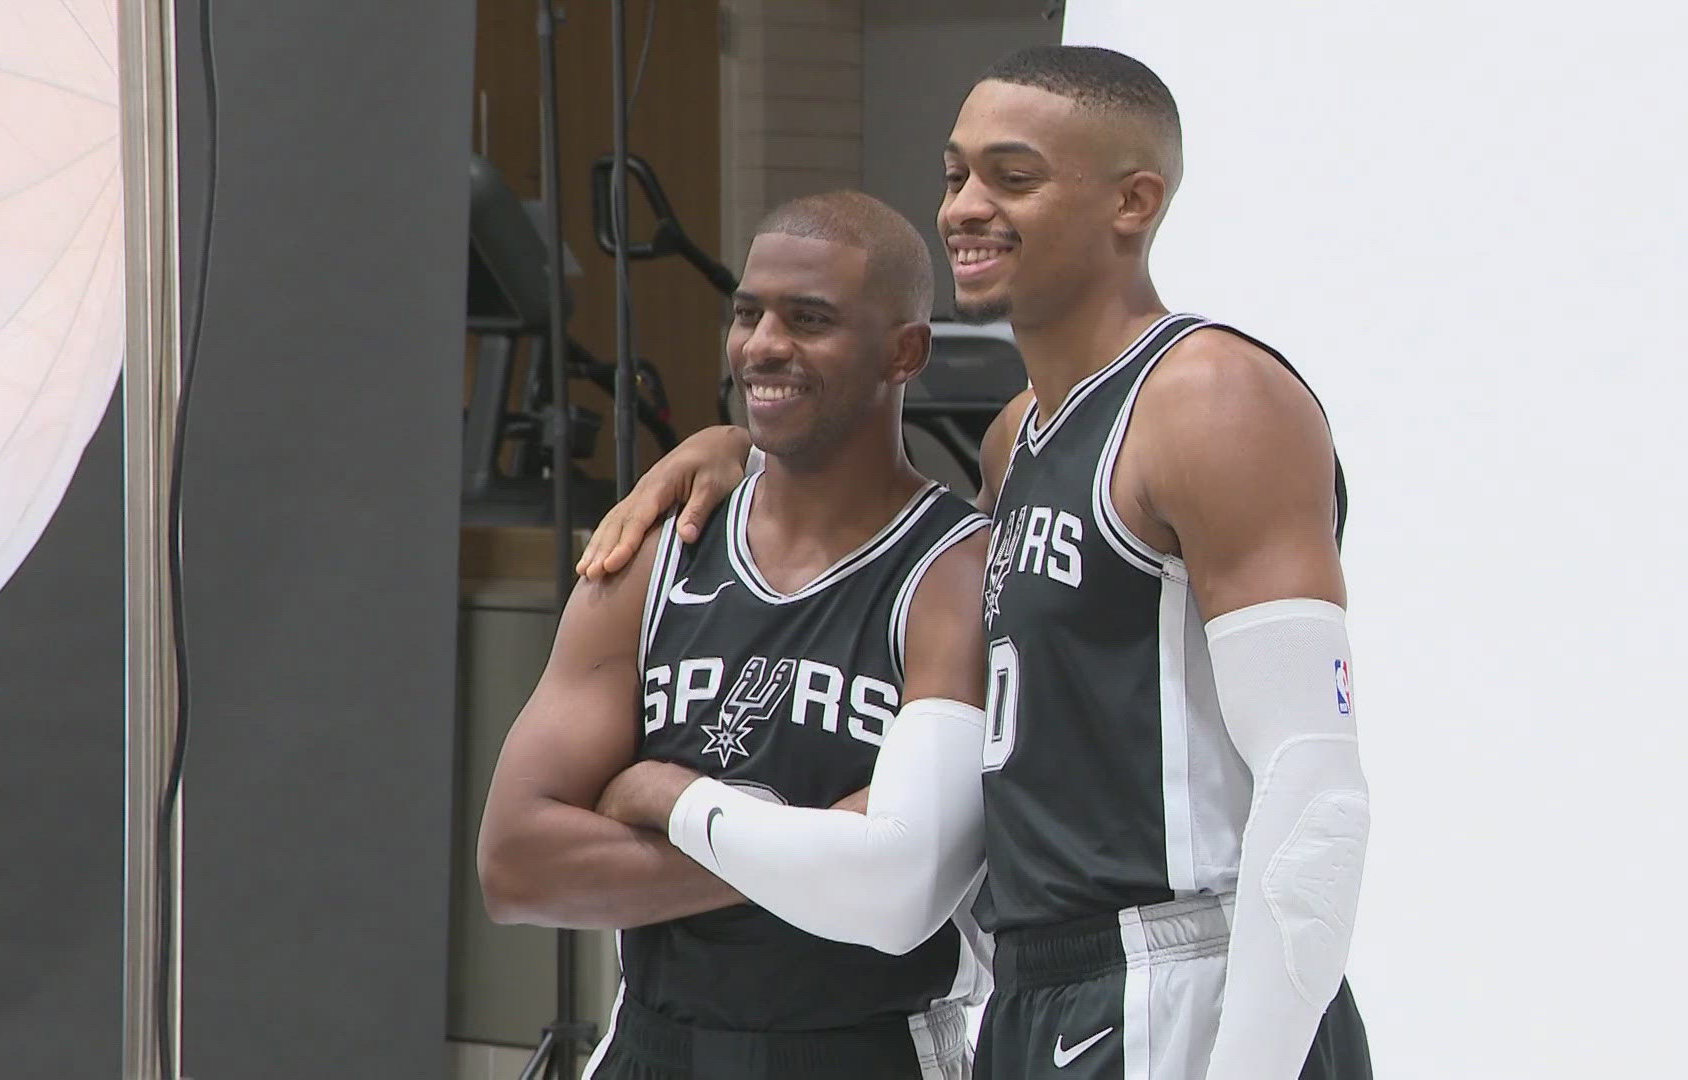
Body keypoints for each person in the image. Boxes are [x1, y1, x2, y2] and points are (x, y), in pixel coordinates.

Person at [575, 45, 1373, 1080]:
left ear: (1134, 201)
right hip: (1037, 988)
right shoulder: (1013, 438)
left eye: (1014, 175)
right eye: (955, 174)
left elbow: (1317, 791)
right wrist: (730, 447)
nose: (964, 207)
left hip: (1178, 977)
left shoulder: (1211, 396)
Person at [478, 190, 994, 1080]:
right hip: (655, 1044)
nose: (763, 345)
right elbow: (516, 866)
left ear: (905, 351)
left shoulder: (956, 570)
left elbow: (901, 887)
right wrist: (809, 851)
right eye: (748, 313)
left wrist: (671, 802)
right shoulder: (657, 548)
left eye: (810, 319)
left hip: (868, 1050)